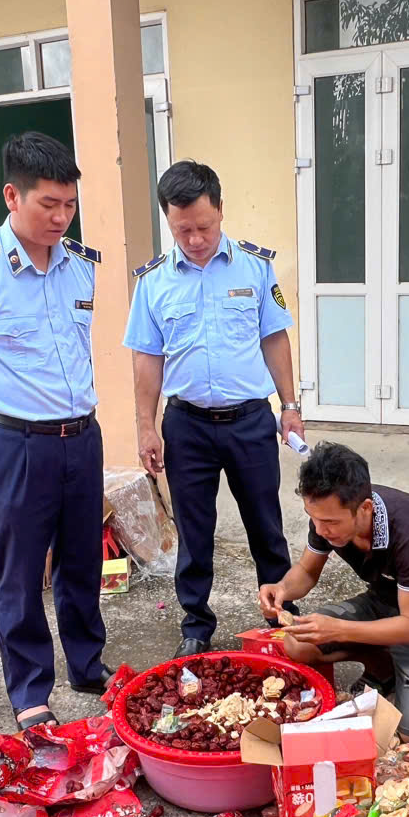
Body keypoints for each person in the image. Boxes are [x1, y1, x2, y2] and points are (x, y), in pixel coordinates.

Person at [0, 131, 111, 731]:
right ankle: (31, 691)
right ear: (12, 196)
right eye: (47, 205)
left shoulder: (83, 267)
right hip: (16, 443)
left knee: (83, 559)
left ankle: (88, 664)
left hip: (82, 437)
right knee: (20, 568)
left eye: (69, 205)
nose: (61, 218)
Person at [123, 160, 304, 659]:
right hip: (187, 426)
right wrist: (147, 427)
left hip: (249, 420)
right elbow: (147, 360)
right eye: (183, 230)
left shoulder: (255, 267)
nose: (196, 239)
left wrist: (289, 406)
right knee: (194, 532)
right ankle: (196, 625)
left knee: (266, 527)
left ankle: (279, 617)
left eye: (204, 226)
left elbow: (274, 338)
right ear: (169, 222)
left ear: (220, 211)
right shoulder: (153, 282)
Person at [259, 442, 409, 745]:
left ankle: (400, 661)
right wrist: (281, 589)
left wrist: (339, 629)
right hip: (382, 601)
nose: (321, 529)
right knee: (296, 642)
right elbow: (305, 572)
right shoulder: (326, 513)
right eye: (313, 518)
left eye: (330, 522)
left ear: (365, 509)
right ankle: (384, 663)